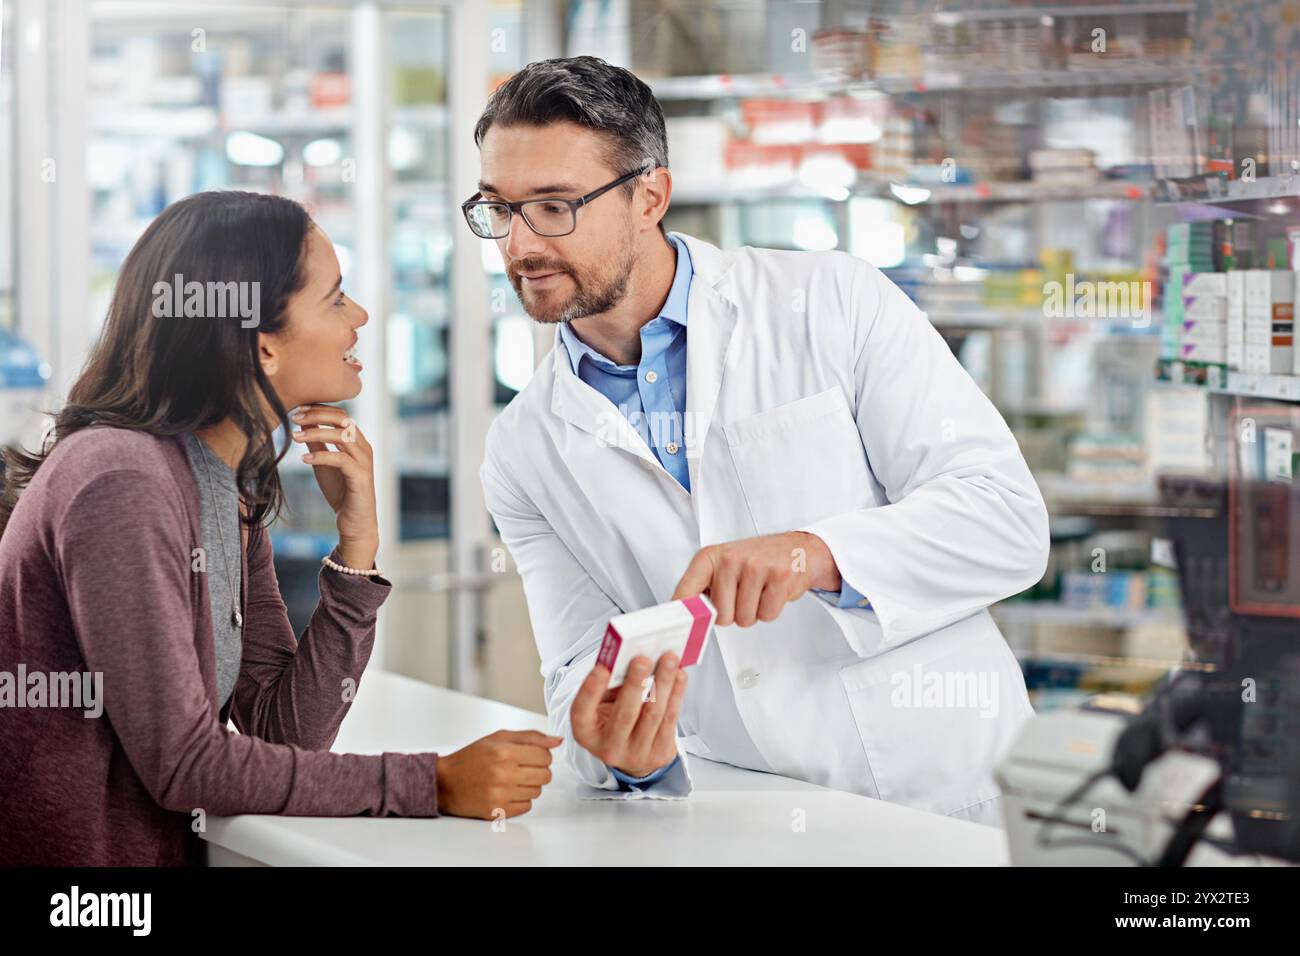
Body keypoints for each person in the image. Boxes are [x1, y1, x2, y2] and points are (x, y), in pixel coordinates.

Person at [471, 57, 1050, 826]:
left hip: (944, 796)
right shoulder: (521, 448)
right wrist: (614, 751)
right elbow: (579, 665)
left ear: (650, 196)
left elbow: (1007, 522)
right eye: (498, 210)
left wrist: (815, 553)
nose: (520, 245)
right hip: (750, 813)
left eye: (553, 206)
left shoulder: (832, 301)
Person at [0, 190, 559, 866]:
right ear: (261, 344)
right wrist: (430, 781)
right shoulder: (122, 478)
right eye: (335, 298)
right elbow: (185, 765)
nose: (361, 316)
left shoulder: (226, 478)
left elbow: (281, 730)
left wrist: (357, 544)